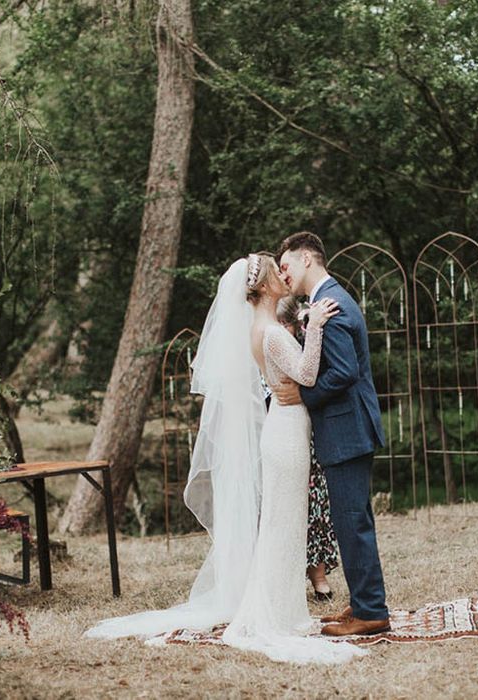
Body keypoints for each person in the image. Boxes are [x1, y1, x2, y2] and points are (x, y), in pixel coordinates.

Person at [86, 255, 365, 664]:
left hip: (286, 429)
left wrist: (308, 328)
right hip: (286, 434)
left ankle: (286, 610)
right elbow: (306, 374)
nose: (282, 275)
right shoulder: (269, 332)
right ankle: (273, 615)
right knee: (281, 526)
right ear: (266, 287)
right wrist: (317, 326)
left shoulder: (262, 328)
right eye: (276, 270)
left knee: (284, 526)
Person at [276, 231, 390, 636]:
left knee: (351, 522)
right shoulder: (327, 301)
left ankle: (371, 612)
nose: (283, 274)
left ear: (308, 259)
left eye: (286, 266)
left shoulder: (334, 305)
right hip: (348, 428)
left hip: (347, 429)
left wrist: (304, 396)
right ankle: (364, 602)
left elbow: (343, 372)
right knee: (352, 520)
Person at [276, 295, 338, 601]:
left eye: (285, 324)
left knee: (314, 498)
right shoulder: (267, 341)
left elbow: (312, 375)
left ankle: (318, 573)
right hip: (277, 424)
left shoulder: (303, 331)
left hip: (308, 425)